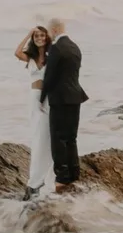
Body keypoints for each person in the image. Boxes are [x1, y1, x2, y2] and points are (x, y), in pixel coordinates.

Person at [39, 17, 88, 194]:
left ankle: (62, 178)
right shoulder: (75, 47)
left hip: (60, 99)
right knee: (71, 137)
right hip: (75, 97)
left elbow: (50, 77)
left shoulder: (57, 49)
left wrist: (41, 98)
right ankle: (74, 173)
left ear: (53, 31)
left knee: (58, 139)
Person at [14, 25, 53, 200]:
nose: (39, 38)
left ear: (46, 37)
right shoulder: (29, 56)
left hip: (47, 98)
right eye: (36, 35)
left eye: (42, 35)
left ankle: (45, 175)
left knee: (47, 135)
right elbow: (16, 52)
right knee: (37, 134)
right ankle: (37, 176)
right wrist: (28, 34)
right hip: (33, 97)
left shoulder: (50, 55)